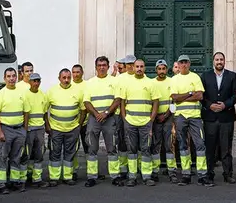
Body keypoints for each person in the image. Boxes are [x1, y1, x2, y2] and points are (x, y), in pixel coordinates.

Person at [119, 59, 160, 186]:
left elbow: (156, 102)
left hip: (145, 123)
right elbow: (122, 102)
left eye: (141, 66)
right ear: (132, 67)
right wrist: (125, 119)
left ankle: (147, 176)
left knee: (145, 149)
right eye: (137, 66)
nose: (139, 69)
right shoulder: (127, 83)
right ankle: (132, 177)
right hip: (130, 122)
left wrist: (151, 119)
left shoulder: (151, 83)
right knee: (132, 150)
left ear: (145, 68)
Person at [170, 54, 208, 186]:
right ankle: (186, 173)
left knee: (200, 144)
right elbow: (174, 97)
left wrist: (183, 97)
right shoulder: (174, 79)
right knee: (183, 145)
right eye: (181, 63)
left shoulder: (195, 77)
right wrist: (190, 93)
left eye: (186, 62)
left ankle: (202, 174)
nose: (184, 65)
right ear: (178, 65)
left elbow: (200, 95)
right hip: (180, 116)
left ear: (189, 64)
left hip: (195, 116)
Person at [201, 51, 236, 184]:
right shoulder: (205, 76)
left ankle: (228, 174)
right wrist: (210, 105)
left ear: (224, 61)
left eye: (221, 60)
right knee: (210, 147)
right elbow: (202, 96)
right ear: (213, 61)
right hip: (210, 117)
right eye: (217, 60)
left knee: (226, 147)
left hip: (226, 117)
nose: (219, 62)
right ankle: (209, 173)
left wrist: (225, 105)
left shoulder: (232, 76)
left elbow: (235, 96)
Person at [84, 56, 122, 186]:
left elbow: (117, 100)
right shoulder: (89, 83)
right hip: (94, 119)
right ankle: (91, 177)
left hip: (109, 118)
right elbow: (86, 101)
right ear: (95, 67)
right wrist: (96, 114)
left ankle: (115, 176)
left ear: (108, 66)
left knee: (112, 147)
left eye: (104, 65)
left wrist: (106, 113)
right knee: (92, 148)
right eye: (99, 65)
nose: (101, 67)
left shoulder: (115, 82)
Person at [0, 67, 30, 194]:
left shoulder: (22, 93)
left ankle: (15, 181)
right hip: (5, 130)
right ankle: (1, 184)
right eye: (8, 76)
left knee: (16, 157)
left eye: (13, 76)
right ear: (4, 78)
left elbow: (26, 112)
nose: (11, 78)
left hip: (19, 130)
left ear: (16, 77)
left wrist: (24, 130)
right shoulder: (0, 94)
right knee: (2, 156)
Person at [46, 68, 85, 187]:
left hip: (72, 129)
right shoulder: (51, 91)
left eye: (68, 77)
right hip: (56, 129)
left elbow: (83, 110)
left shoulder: (77, 91)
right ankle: (54, 177)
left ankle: (68, 176)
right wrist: (48, 126)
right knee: (55, 153)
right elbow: (44, 110)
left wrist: (79, 125)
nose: (66, 80)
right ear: (59, 78)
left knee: (70, 153)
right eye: (64, 78)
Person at [150, 59, 176, 183]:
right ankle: (155, 171)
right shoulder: (151, 83)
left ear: (167, 69)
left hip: (168, 117)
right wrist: (155, 116)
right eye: (159, 69)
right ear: (156, 70)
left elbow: (174, 101)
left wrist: (166, 115)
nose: (161, 71)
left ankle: (172, 171)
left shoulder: (172, 81)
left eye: (163, 69)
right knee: (156, 144)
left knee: (169, 144)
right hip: (155, 118)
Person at [24, 72, 49, 189]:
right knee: (27, 154)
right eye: (34, 81)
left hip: (40, 129)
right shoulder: (25, 95)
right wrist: (25, 129)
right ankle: (25, 177)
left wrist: (47, 126)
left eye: (38, 81)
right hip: (29, 129)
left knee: (39, 154)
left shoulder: (43, 95)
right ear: (29, 82)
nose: (36, 83)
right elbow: (25, 114)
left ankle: (37, 178)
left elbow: (44, 113)